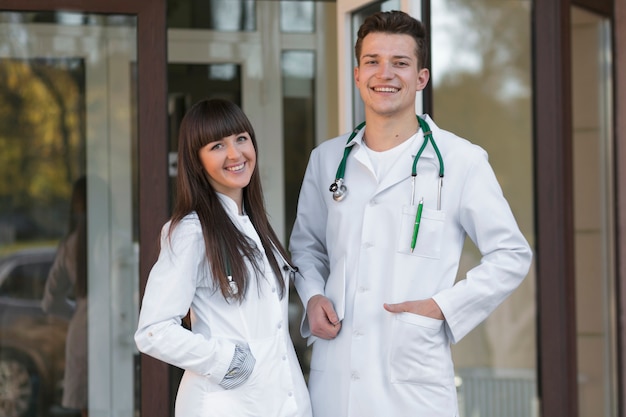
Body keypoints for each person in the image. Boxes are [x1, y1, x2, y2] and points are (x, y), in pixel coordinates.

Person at [289, 10, 533, 416]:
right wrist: (313, 295)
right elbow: (306, 248)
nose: (385, 73)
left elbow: (511, 255)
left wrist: (442, 307)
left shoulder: (461, 161)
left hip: (413, 384)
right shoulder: (327, 159)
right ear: (356, 74)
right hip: (336, 380)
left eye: (400, 63)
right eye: (373, 61)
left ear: (421, 78)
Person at [134, 98, 312, 417]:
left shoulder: (256, 226)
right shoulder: (192, 232)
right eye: (217, 145)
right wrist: (228, 362)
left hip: (279, 402)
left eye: (241, 139)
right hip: (224, 404)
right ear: (196, 160)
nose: (235, 154)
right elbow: (153, 332)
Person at [42, 176, 88, 417]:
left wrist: (76, 313)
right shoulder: (116, 240)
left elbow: (50, 300)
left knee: (86, 407)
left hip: (81, 330)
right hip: (115, 328)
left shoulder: (70, 244)